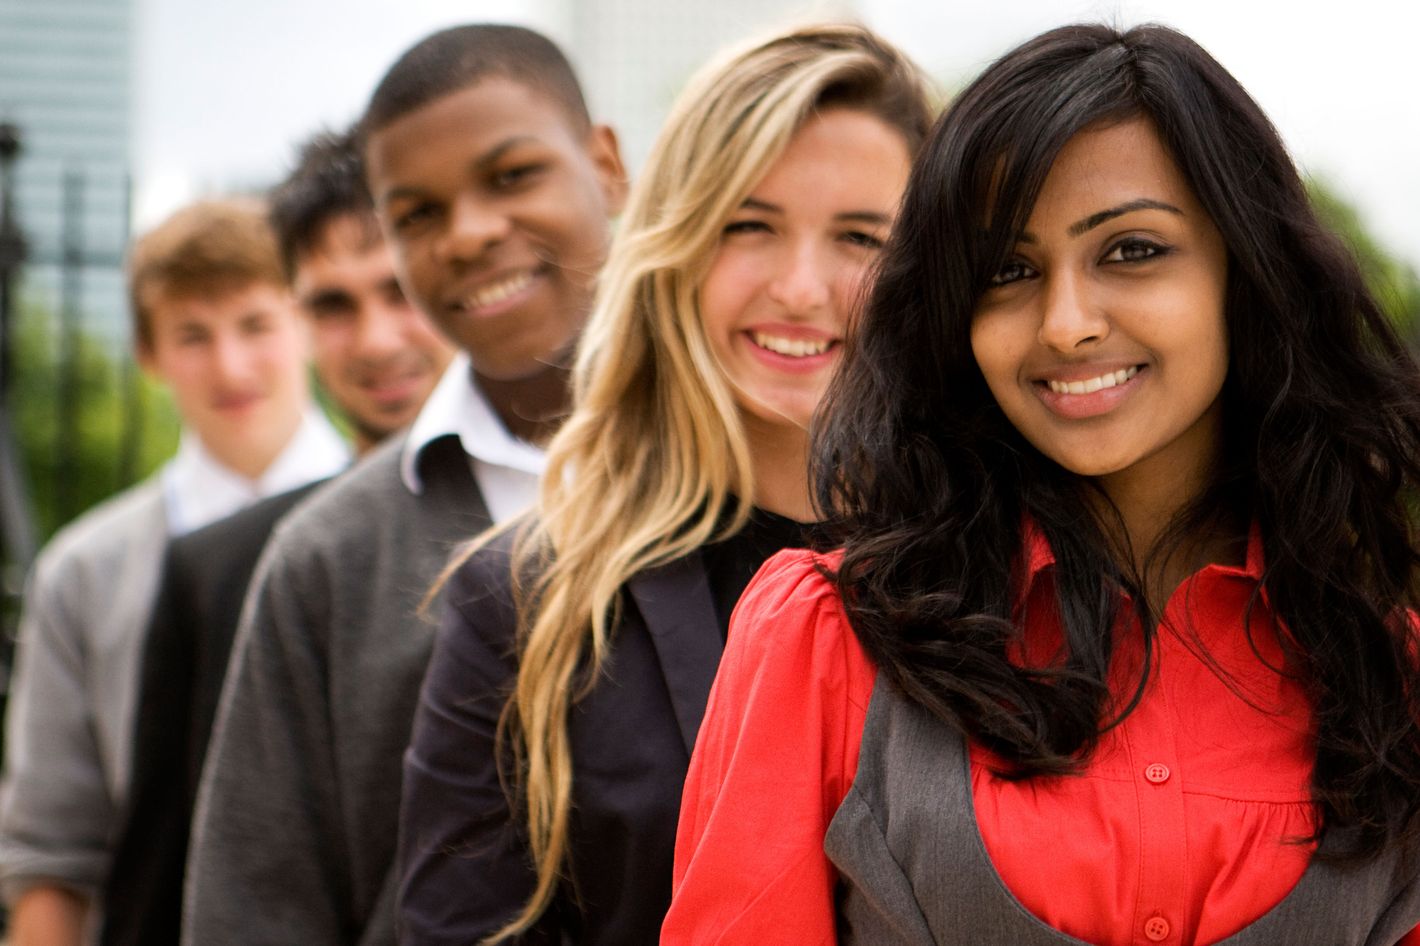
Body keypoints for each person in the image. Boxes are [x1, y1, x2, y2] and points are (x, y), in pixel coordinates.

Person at [664, 21, 1420, 946]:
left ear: (1247, 273)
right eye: (1008, 271)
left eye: (1132, 250)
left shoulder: (1392, 674)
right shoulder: (826, 638)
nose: (1064, 324)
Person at [399, 23, 931, 945]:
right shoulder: (525, 602)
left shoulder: (1017, 573)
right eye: (750, 225)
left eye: (859, 236)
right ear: (678, 246)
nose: (802, 288)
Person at [182, 25, 626, 946]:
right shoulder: (328, 556)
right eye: (418, 214)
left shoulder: (763, 477)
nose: (469, 233)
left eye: (511, 177)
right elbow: (257, 903)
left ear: (607, 166)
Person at [98, 127, 455, 946]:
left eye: (398, 290)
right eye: (332, 304)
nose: (375, 339)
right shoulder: (221, 568)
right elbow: (157, 883)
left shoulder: (606, 522)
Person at [0, 198, 349, 945]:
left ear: (305, 325)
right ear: (149, 354)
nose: (230, 365)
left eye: (255, 324)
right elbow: (53, 850)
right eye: (193, 335)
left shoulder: (399, 527)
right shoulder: (84, 573)